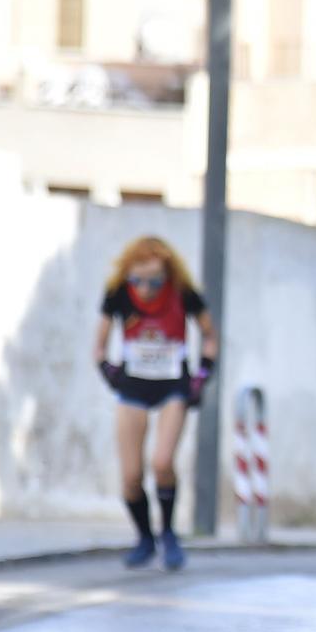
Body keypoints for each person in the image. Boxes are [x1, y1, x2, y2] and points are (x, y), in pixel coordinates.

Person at [94, 237, 218, 571]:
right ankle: (144, 538)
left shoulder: (183, 293)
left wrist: (202, 373)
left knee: (162, 462)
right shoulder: (118, 293)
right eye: (138, 281)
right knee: (131, 476)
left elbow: (209, 335)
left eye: (154, 281)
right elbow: (99, 344)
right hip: (133, 387)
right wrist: (108, 369)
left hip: (172, 388)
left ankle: (169, 534)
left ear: (167, 276)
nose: (146, 289)